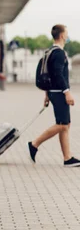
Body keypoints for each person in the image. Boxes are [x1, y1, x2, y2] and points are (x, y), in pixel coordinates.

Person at [28, 24, 80, 167]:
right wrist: (67, 92)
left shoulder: (50, 51)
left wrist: (47, 95)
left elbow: (48, 75)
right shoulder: (59, 53)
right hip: (59, 93)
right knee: (62, 125)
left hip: (53, 92)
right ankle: (34, 144)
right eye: (67, 33)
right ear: (62, 35)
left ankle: (67, 158)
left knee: (65, 124)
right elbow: (57, 75)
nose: (68, 36)